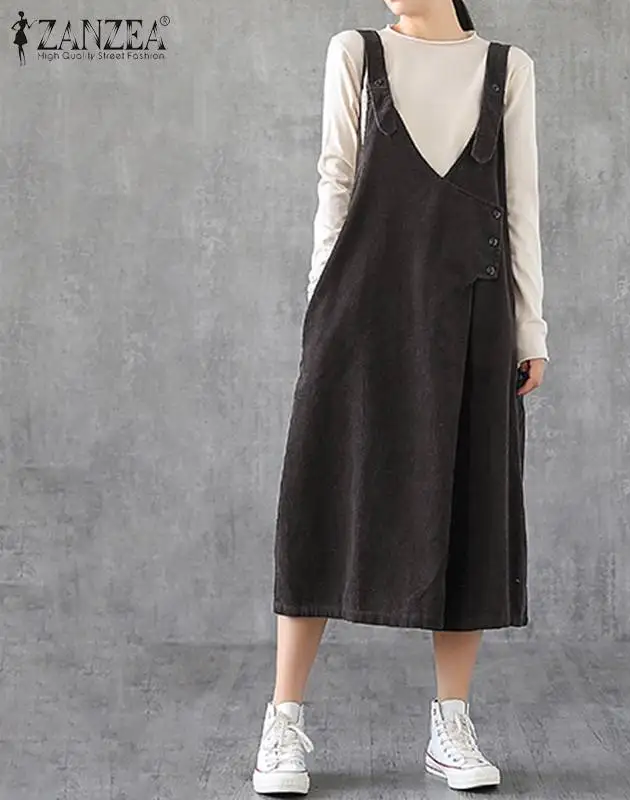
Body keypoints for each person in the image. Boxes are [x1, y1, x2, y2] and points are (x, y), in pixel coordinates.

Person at [253, 0, 548, 795]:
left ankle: (451, 722)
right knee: (321, 499)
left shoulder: (507, 70)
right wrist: (323, 310)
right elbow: (334, 181)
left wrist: (532, 329)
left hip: (475, 314)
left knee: (469, 509)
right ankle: (283, 720)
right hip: (360, 308)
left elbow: (522, 203)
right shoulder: (355, 53)